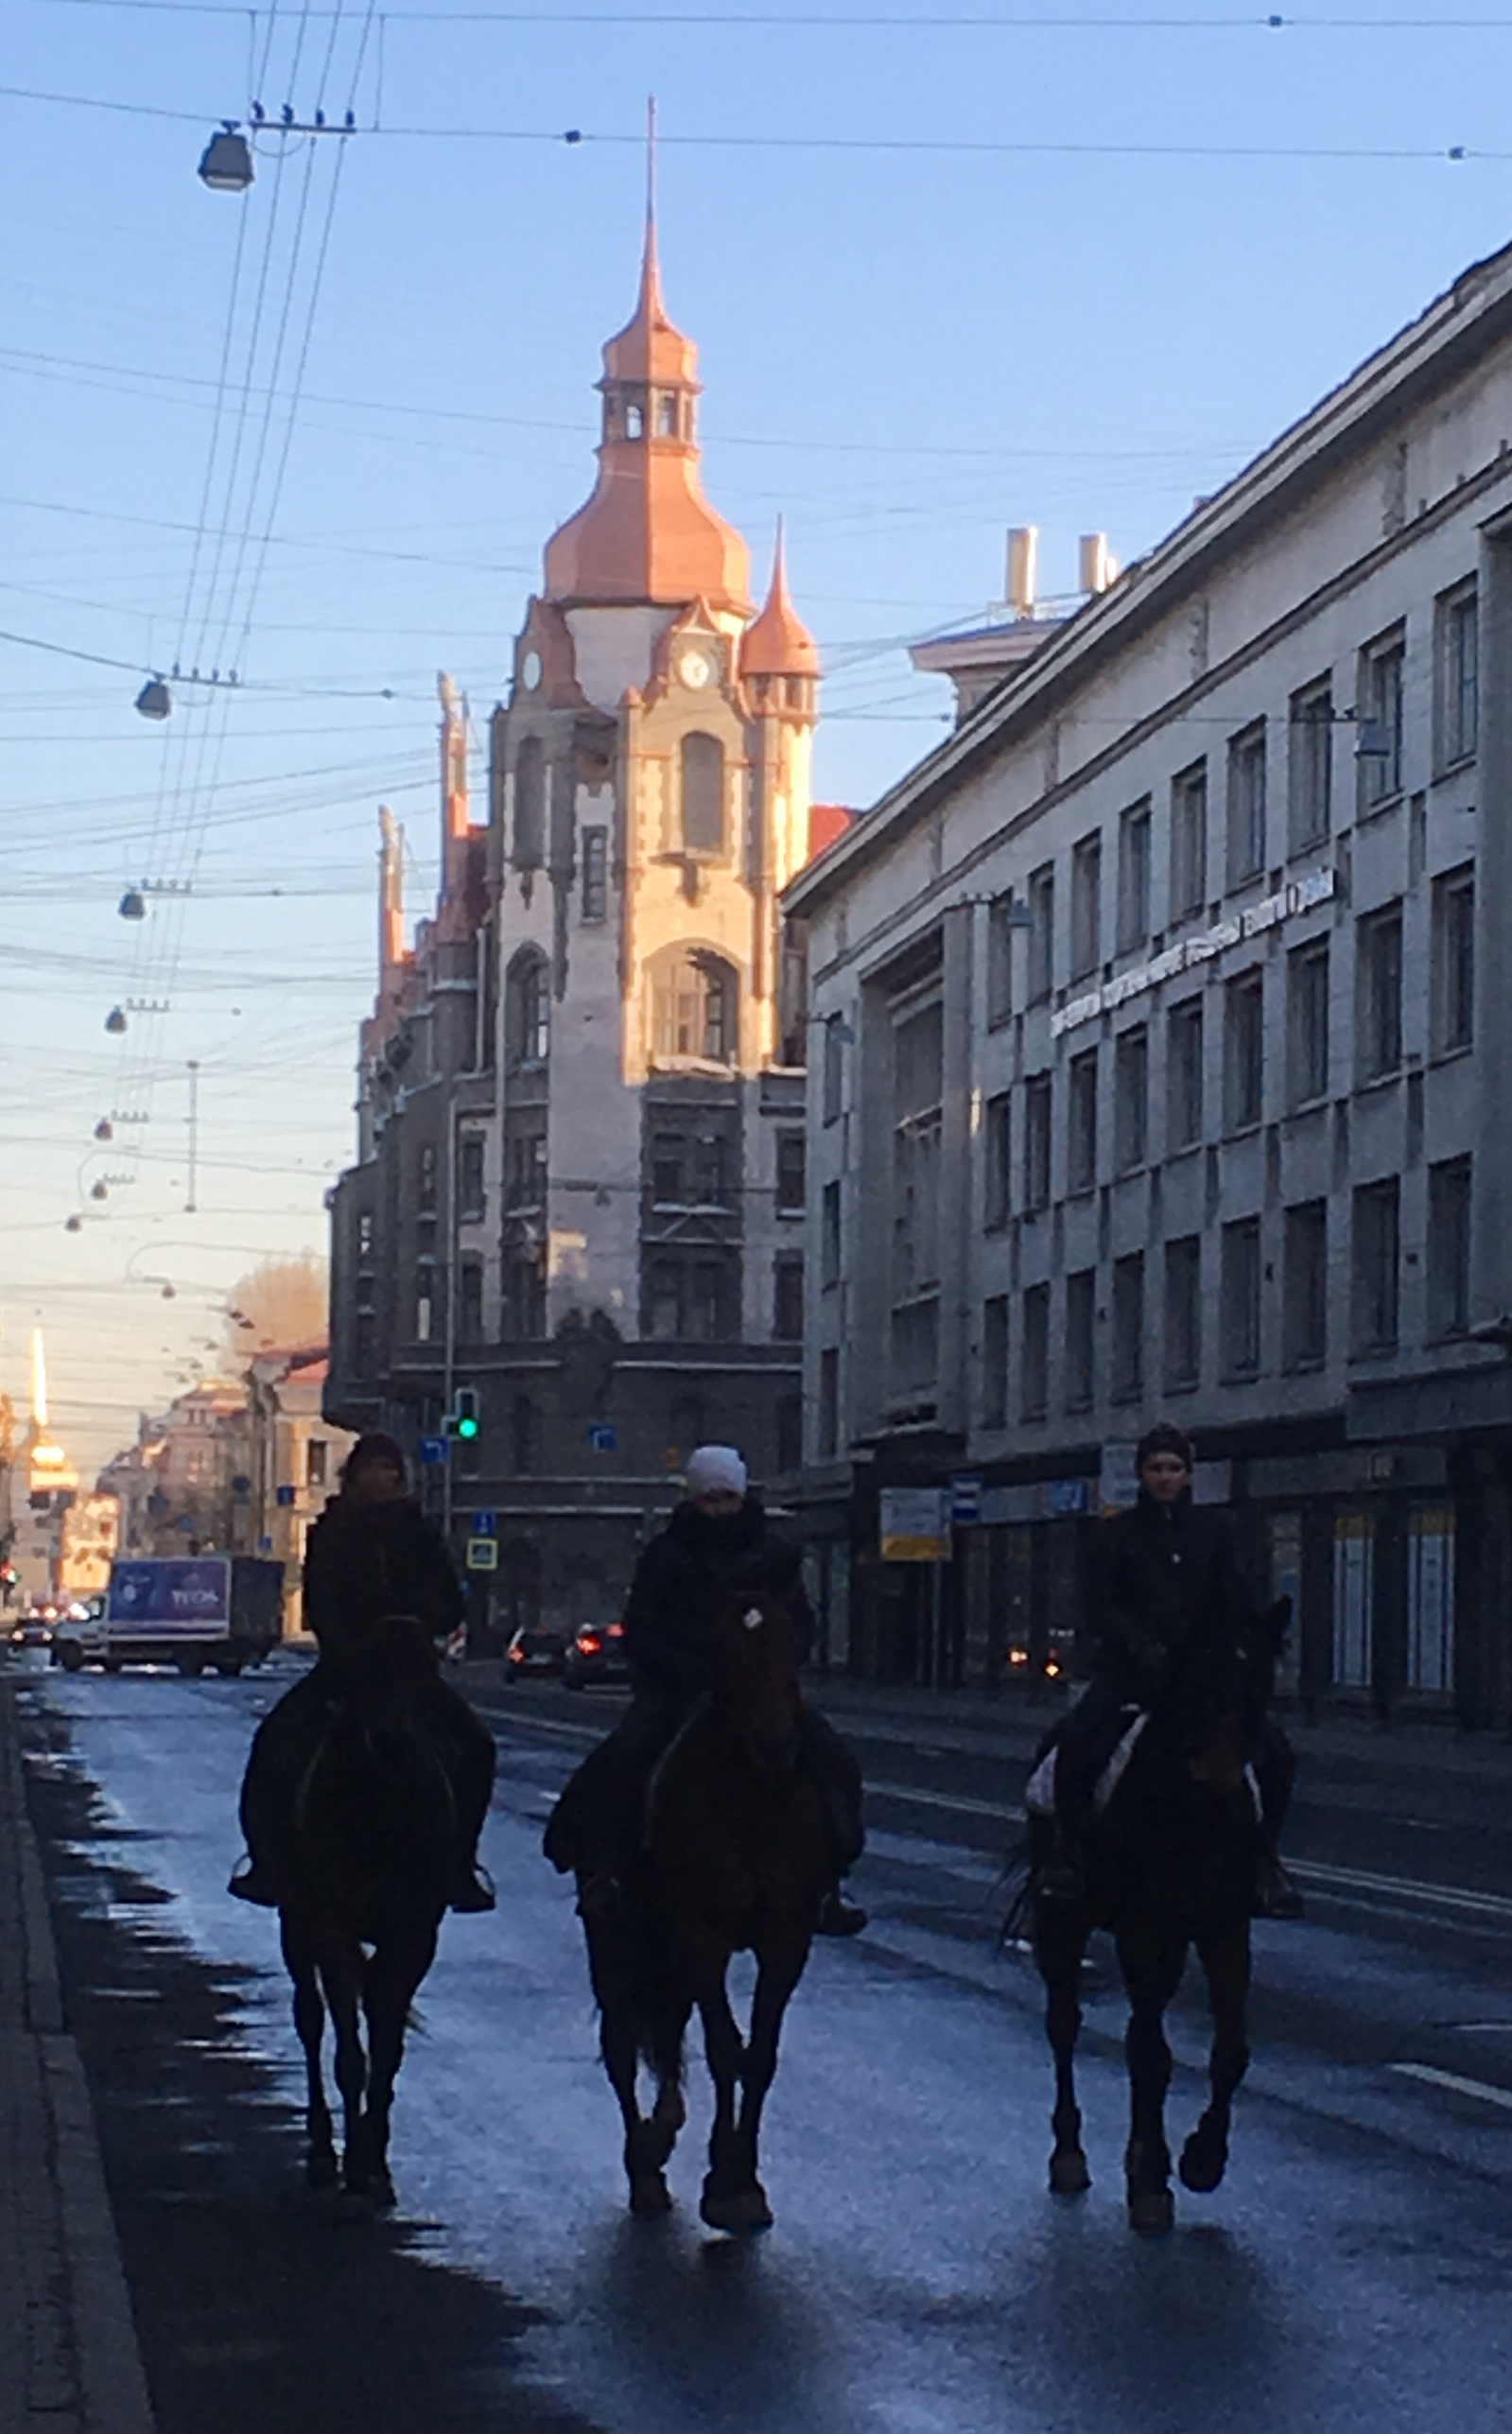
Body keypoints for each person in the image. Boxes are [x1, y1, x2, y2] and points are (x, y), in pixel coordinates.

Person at [544, 1445, 867, 1937]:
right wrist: (688, 1669)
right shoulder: (667, 1554)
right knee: (625, 1757)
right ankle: (602, 1869)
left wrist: (774, 1667)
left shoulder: (773, 1554)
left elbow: (799, 1622)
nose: (719, 1509)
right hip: (681, 1691)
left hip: (759, 1694)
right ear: (694, 1499)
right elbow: (643, 1630)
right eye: (710, 1499)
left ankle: (828, 1882)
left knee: (831, 1757)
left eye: (727, 1498)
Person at [1038, 1421, 1302, 1920]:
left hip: (1201, 1676)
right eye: (1156, 1468)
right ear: (1141, 1474)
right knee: (1077, 1745)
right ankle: (1065, 1854)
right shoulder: (1115, 1534)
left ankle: (1265, 1860)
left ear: (1188, 1475)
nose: (1165, 1477)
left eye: (1174, 1468)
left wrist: (1253, 1632)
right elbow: (1102, 1605)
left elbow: (1233, 1594)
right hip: (1132, 1674)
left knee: (1276, 1755)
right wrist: (1140, 1646)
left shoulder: (1213, 1532)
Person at [230, 1432, 496, 1914]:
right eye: (374, 1469)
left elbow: (449, 1601)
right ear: (354, 1476)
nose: (384, 1478)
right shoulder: (333, 1530)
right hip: (345, 1671)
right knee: (277, 1741)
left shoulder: (419, 1532)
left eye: (391, 1470)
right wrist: (351, 1647)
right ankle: (267, 1865)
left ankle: (460, 1862)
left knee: (475, 1744)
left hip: (412, 1673)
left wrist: (419, 1627)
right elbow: (322, 1599)